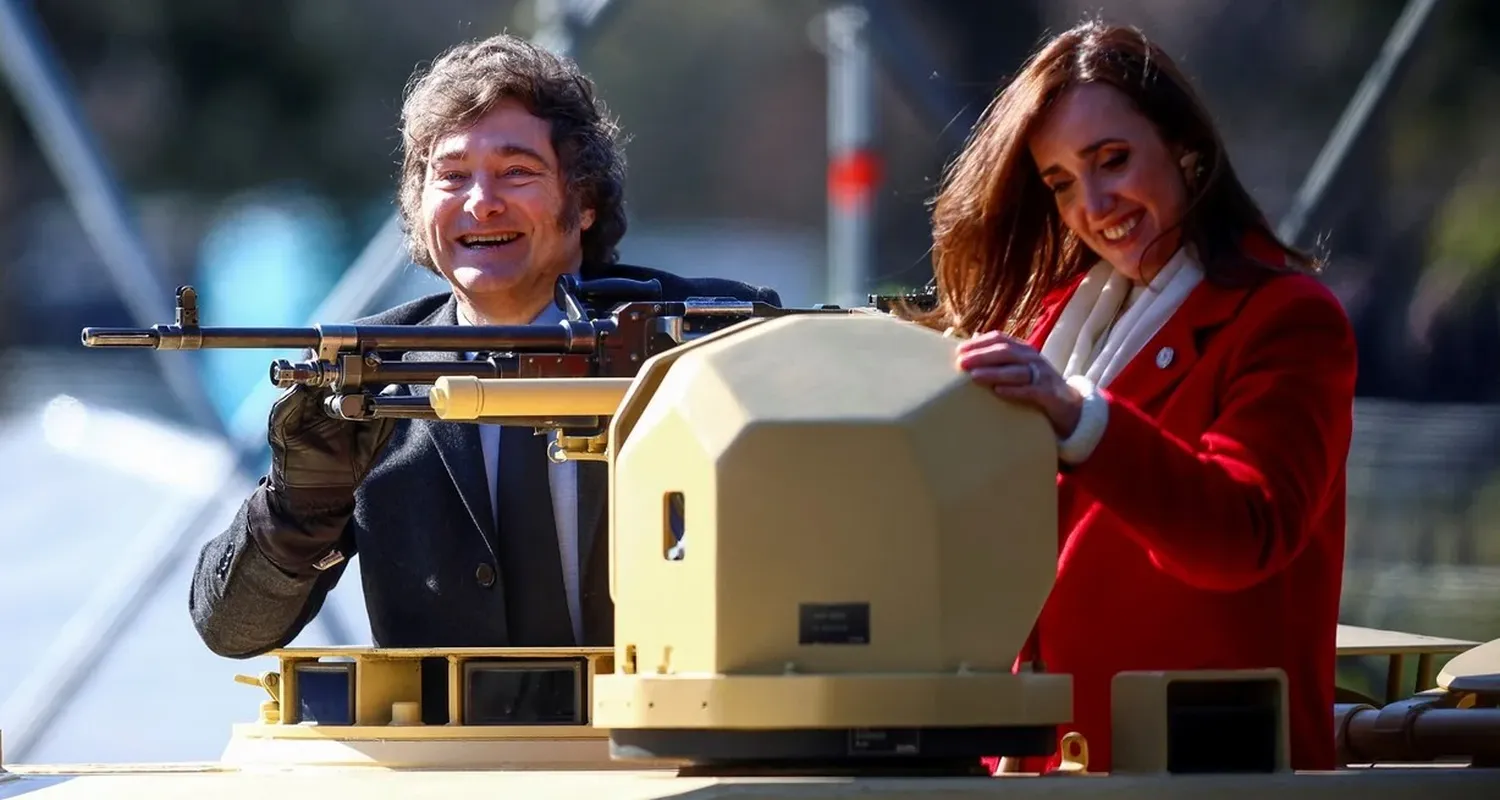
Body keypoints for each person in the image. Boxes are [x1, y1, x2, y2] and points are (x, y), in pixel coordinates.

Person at [188, 34, 781, 689]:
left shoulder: (712, 336)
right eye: (451, 175)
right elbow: (231, 630)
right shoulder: (369, 372)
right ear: (419, 207)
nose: (480, 202)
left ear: (583, 202)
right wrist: (298, 506)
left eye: (516, 172)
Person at [919, 21, 1358, 772]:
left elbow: (1245, 529)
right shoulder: (1054, 320)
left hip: (1214, 775)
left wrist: (1083, 421)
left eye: (1111, 160)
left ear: (1186, 149)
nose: (1092, 203)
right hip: (1048, 767)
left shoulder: (1288, 319)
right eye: (1060, 182)